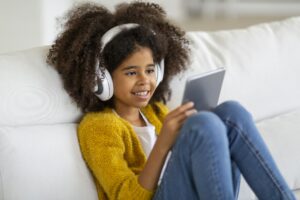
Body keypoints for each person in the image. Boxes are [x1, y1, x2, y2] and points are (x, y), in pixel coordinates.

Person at [47, 2, 296, 200]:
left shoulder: (156, 112)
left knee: (231, 112)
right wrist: (164, 143)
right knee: (205, 125)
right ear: (102, 79)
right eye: (131, 72)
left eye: (150, 70)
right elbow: (127, 197)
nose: (144, 80)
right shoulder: (98, 127)